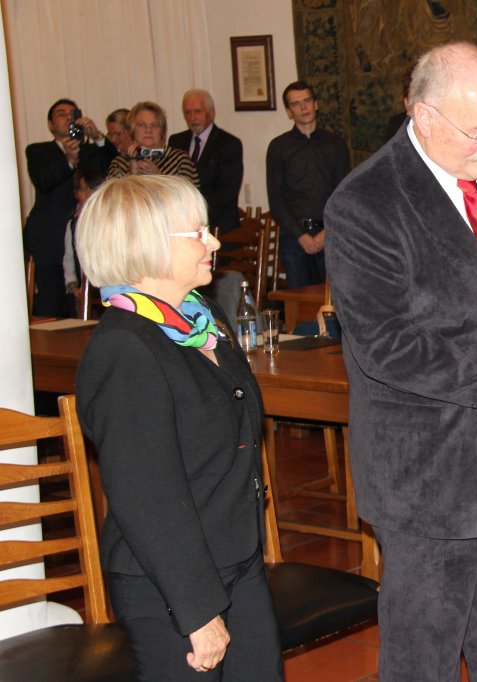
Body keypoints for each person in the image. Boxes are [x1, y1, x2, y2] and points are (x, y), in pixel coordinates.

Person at [324, 42, 477, 681]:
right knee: (422, 657)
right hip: (430, 467)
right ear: (422, 116)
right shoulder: (364, 202)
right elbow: (387, 346)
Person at [74, 175, 283, 680]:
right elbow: (145, 495)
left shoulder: (202, 317)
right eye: (197, 233)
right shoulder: (125, 348)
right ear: (141, 244)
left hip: (235, 556)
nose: (213, 242)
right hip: (170, 581)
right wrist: (197, 611)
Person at [24, 98, 113, 316]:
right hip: (49, 236)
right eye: (61, 114)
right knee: (49, 303)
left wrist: (99, 137)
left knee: (89, 301)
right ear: (50, 125)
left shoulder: (91, 151)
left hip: (85, 234)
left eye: (72, 114)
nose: (67, 118)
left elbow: (112, 166)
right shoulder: (38, 151)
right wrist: (69, 161)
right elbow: (43, 181)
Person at [266, 81, 351, 288]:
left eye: (307, 101)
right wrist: (301, 236)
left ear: (316, 104)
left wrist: (326, 234)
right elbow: (276, 200)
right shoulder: (278, 147)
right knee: (299, 306)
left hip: (330, 235)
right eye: (296, 104)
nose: (303, 107)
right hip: (294, 239)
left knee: (334, 303)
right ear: (289, 111)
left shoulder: (335, 144)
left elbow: (343, 196)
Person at [169, 89, 244, 234]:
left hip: (219, 228)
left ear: (211, 113)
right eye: (187, 112)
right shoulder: (176, 141)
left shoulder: (228, 144)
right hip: (184, 227)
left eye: (197, 111)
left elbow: (227, 192)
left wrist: (193, 211)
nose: (192, 117)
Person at [106, 101, 200, 187]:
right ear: (132, 130)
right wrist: (132, 175)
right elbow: (112, 201)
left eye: (154, 125)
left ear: (162, 130)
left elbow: (190, 199)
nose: (148, 130)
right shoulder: (119, 164)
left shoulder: (180, 159)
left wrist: (159, 177)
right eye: (142, 125)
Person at [62, 168, 105, 314]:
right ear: (75, 194)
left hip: (109, 290)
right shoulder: (73, 224)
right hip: (83, 291)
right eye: (82, 190)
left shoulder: (109, 221)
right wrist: (72, 284)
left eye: (92, 188)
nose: (87, 194)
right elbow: (68, 258)